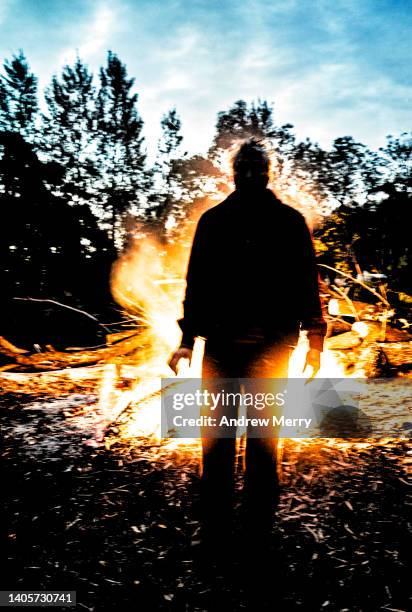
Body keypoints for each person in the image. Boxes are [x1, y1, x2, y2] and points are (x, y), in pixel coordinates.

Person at [169, 139, 327, 577]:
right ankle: (215, 534)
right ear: (233, 172)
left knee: (263, 446)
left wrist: (315, 339)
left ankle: (257, 535)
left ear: (270, 172)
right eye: (245, 167)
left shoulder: (290, 222)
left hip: (272, 351)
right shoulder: (214, 222)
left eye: (259, 167)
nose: (252, 173)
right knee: (215, 445)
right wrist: (185, 338)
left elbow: (305, 283)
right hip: (219, 350)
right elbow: (196, 282)